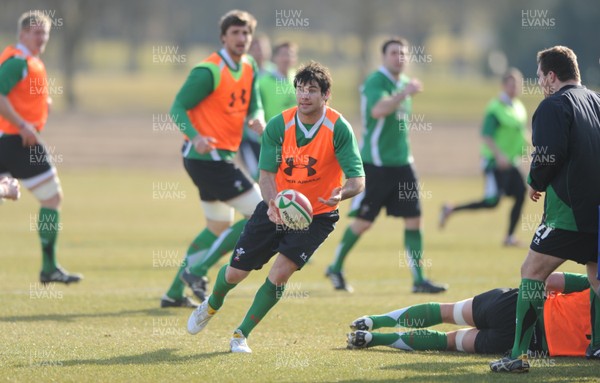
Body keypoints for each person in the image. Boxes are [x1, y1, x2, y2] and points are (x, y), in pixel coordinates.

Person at [186, 61, 365, 353]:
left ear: (326, 94)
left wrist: (341, 194)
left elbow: (358, 180)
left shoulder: (338, 128)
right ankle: (212, 303)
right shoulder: (278, 125)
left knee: (280, 273)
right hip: (277, 206)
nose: (305, 96)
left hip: (317, 216)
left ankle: (240, 335)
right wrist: (272, 203)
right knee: (235, 273)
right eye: (301, 89)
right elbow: (266, 175)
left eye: (312, 90)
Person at [489, 46, 600, 373]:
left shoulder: (553, 105)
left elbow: (549, 152)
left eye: (539, 77)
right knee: (596, 276)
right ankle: (596, 346)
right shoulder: (596, 101)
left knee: (532, 272)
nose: (538, 83)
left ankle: (517, 356)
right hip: (598, 211)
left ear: (552, 76)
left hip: (569, 211)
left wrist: (536, 180)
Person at [160, 9, 265, 308]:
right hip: (206, 159)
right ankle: (197, 271)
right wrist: (195, 136)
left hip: (221, 158)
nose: (242, 38)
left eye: (246, 33)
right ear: (223, 37)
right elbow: (178, 107)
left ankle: (173, 293)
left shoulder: (249, 67)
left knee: (218, 226)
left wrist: (257, 119)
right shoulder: (208, 70)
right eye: (236, 33)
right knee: (260, 213)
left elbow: (254, 105)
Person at [325, 37, 447, 293]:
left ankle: (419, 280)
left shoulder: (403, 84)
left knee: (414, 219)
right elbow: (378, 110)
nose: (399, 57)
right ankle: (335, 266)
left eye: (403, 53)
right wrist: (405, 93)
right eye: (394, 53)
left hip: (403, 164)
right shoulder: (376, 82)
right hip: (376, 164)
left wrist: (404, 91)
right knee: (364, 222)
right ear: (383, 57)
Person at [0, 11, 81, 284]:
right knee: (52, 198)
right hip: (16, 140)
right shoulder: (18, 61)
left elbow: (18, 95)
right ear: (22, 33)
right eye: (36, 32)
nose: (41, 37)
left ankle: (49, 268)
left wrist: (42, 105)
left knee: (24, 194)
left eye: (44, 32)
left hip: (13, 139)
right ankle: (49, 268)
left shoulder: (31, 62)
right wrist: (23, 124)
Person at [347, 272, 591, 358]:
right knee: (448, 342)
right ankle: (373, 340)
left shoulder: (594, 283)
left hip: (513, 306)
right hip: (532, 344)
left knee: (447, 311)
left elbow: (548, 280)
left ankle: (372, 322)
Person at [439, 69, 528, 247]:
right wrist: (499, 155)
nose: (515, 87)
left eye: (518, 84)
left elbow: (519, 133)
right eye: (511, 84)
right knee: (492, 202)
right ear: (503, 86)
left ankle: (509, 237)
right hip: (495, 162)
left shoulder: (518, 107)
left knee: (521, 193)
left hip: (511, 162)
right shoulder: (495, 108)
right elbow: (486, 135)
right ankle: (450, 209)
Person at [240, 41, 298, 181]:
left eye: (290, 55)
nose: (287, 58)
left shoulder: (299, 81)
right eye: (283, 54)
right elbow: (252, 111)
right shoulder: (262, 83)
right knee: (261, 181)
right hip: (263, 143)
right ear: (275, 58)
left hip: (291, 144)